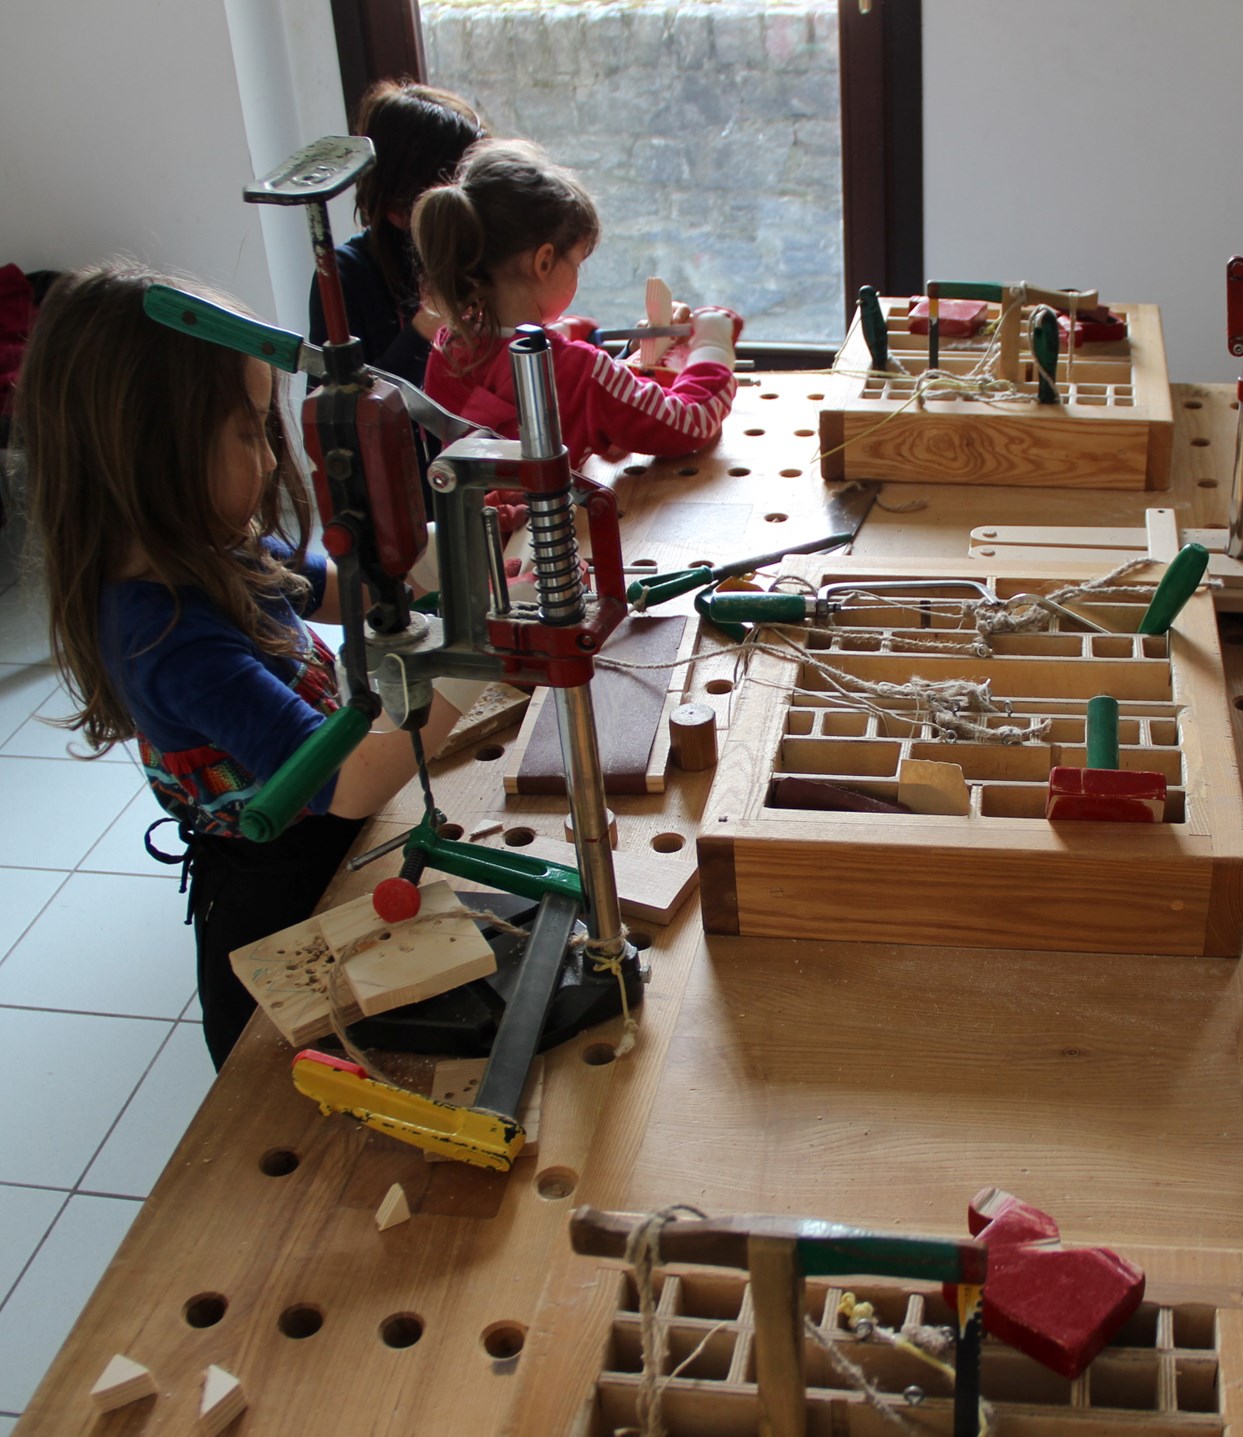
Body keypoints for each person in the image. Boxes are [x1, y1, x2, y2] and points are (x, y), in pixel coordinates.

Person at [13, 263, 476, 1069]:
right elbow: (347, 781)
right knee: (305, 1081)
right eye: (246, 432)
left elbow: (340, 587)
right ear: (149, 449)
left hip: (335, 849)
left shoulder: (212, 545)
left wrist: (455, 554)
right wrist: (472, 662)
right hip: (277, 895)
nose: (268, 460)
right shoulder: (163, 635)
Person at [413, 138, 740, 461]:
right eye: (577, 262)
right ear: (544, 262)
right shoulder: (578, 371)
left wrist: (624, 353)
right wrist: (713, 345)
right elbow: (689, 423)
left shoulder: (449, 349)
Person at [308, 81, 485, 387]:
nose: (475, 209)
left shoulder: (484, 253)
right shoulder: (344, 276)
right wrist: (427, 324)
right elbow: (336, 409)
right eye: (456, 193)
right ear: (397, 208)